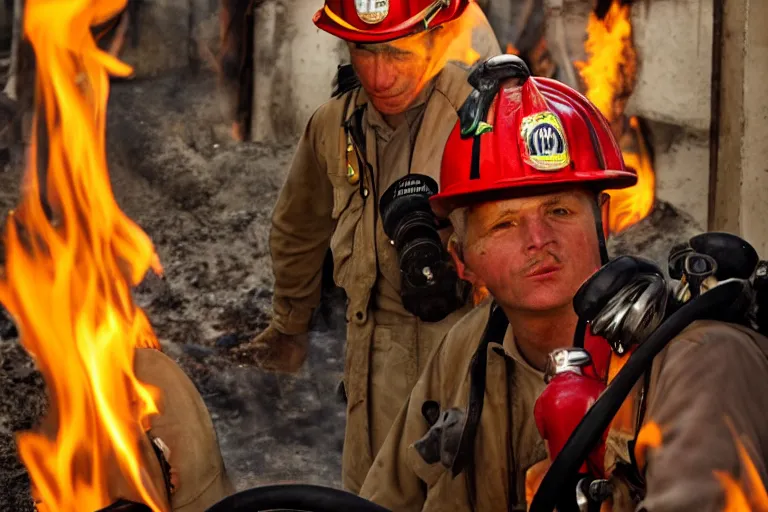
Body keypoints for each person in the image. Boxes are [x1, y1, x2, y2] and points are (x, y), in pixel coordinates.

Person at [359, 54, 768, 511]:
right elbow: (383, 500)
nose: (538, 240)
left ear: (604, 221)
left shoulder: (697, 360)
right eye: (504, 224)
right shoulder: (465, 350)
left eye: (559, 210)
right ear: (462, 260)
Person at [233, 0, 502, 493]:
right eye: (363, 51)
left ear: (435, 38)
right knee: (365, 496)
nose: (378, 77)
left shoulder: (481, 119)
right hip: (366, 367)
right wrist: (290, 326)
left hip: (460, 369)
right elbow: (298, 229)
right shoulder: (332, 127)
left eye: (398, 54)